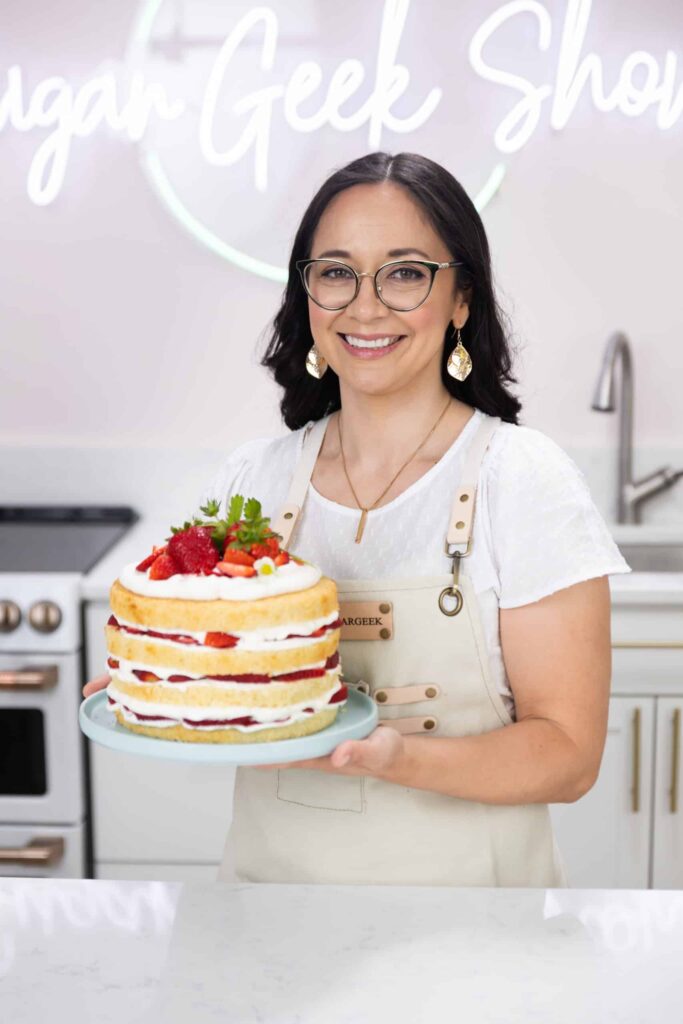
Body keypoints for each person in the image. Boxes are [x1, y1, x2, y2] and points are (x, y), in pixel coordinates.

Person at [85, 151, 630, 887]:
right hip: (268, 914)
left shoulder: (523, 480)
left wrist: (398, 758)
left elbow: (568, 756)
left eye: (404, 273)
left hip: (473, 926)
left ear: (461, 298)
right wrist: (174, 689)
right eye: (337, 272)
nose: (364, 307)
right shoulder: (255, 479)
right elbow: (221, 668)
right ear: (306, 293)